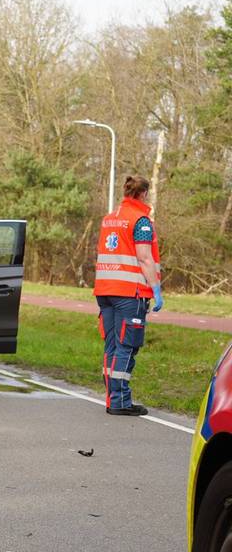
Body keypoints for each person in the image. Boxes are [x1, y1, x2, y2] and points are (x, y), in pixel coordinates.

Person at [93, 175, 163, 416]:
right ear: (143, 194)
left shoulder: (109, 219)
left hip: (104, 291)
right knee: (126, 346)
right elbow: (144, 257)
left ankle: (111, 397)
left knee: (112, 345)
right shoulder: (141, 222)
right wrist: (155, 288)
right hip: (129, 293)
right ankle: (120, 401)